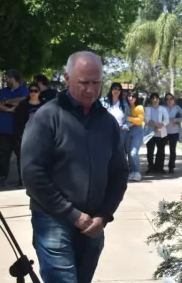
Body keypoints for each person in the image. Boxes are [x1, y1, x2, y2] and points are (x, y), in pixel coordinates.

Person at [21, 51, 129, 283]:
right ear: (67, 78)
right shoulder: (47, 117)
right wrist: (72, 214)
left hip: (93, 224)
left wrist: (104, 215)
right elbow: (32, 173)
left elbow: (119, 172)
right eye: (84, 82)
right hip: (53, 220)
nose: (91, 89)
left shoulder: (107, 122)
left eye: (97, 82)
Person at [0, 69, 29, 186]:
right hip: (3, 128)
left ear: (13, 78)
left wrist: (7, 101)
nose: (5, 80)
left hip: (18, 129)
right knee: (3, 154)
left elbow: (23, 101)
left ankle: (22, 179)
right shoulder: (3, 90)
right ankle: (3, 177)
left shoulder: (24, 90)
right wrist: (9, 109)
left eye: (7, 78)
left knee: (21, 155)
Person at [13, 83, 44, 187]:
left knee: (40, 159)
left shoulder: (45, 105)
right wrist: (20, 134)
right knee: (23, 159)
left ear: (39, 92)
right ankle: (22, 179)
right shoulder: (23, 105)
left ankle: (37, 179)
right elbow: (17, 120)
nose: (33, 93)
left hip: (41, 136)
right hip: (25, 136)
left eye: (35, 91)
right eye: (31, 91)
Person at [100, 82, 130, 150]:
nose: (116, 91)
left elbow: (128, 117)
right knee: (106, 151)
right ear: (111, 89)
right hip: (106, 129)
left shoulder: (124, 104)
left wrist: (125, 126)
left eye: (119, 89)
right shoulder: (103, 101)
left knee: (118, 152)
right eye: (115, 88)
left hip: (120, 130)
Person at [144, 93, 169, 174]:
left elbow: (166, 120)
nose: (155, 100)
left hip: (162, 131)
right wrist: (155, 125)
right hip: (150, 132)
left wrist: (160, 125)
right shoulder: (147, 109)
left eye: (156, 98)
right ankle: (151, 167)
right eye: (153, 98)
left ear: (159, 99)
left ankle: (160, 167)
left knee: (161, 151)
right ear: (151, 100)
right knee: (150, 151)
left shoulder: (163, 109)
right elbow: (147, 120)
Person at [164, 93, 182, 174]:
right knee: (161, 149)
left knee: (172, 150)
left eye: (171, 99)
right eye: (167, 99)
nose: (169, 100)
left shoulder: (177, 108)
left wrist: (176, 120)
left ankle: (171, 167)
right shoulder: (163, 108)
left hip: (174, 132)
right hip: (164, 132)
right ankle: (159, 167)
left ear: (174, 99)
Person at [126, 90, 145, 181]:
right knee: (129, 154)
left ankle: (137, 172)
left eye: (133, 96)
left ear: (136, 98)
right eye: (129, 96)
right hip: (127, 132)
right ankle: (132, 172)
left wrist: (129, 119)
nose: (130, 98)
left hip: (137, 132)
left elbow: (140, 121)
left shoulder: (139, 107)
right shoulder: (126, 106)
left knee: (133, 153)